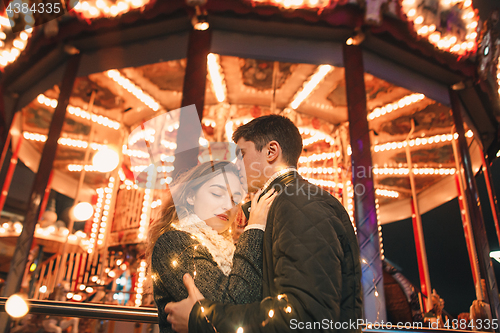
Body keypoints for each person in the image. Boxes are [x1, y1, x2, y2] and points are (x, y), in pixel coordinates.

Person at [164, 115, 363, 333]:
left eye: (242, 154)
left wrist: (202, 318)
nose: (236, 165)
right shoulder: (287, 202)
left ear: (271, 151)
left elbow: (306, 317)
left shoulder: (299, 204)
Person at [147, 161, 277, 333]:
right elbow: (234, 307)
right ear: (191, 196)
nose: (228, 205)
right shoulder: (174, 243)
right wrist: (254, 228)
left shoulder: (233, 250)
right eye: (217, 193)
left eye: (235, 199)